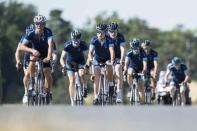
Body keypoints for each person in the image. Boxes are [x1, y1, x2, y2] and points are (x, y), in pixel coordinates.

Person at [19, 14, 54, 104]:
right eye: (37, 23)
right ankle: (32, 80)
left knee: (47, 71)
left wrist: (49, 57)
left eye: (41, 23)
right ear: (35, 24)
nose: (38, 25)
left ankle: (48, 92)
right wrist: (31, 50)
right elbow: (21, 47)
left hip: (45, 53)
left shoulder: (48, 32)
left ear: (44, 24)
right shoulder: (30, 33)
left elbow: (50, 45)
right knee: (32, 59)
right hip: (34, 52)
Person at [87, 23, 115, 105]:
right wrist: (90, 59)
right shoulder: (94, 40)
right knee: (96, 76)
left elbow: (112, 51)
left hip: (107, 59)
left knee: (109, 67)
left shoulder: (109, 40)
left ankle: (110, 84)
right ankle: (96, 97)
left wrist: (112, 60)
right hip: (97, 59)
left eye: (101, 32)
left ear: (105, 33)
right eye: (98, 32)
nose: (99, 34)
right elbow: (90, 52)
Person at [60, 29, 88, 106]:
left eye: (78, 39)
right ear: (72, 39)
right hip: (70, 63)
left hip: (80, 62)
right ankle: (72, 101)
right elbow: (62, 58)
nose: (76, 41)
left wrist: (87, 65)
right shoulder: (67, 45)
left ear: (80, 39)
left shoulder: (83, 45)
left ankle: (85, 86)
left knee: (81, 74)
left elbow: (88, 57)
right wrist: (64, 66)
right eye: (74, 39)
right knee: (72, 81)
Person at [123, 38, 147, 104]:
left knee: (141, 85)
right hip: (132, 67)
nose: (135, 49)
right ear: (131, 47)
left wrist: (144, 70)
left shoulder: (143, 53)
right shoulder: (129, 53)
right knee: (129, 73)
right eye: (134, 48)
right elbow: (126, 63)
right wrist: (125, 69)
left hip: (140, 69)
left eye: (137, 48)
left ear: (139, 47)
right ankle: (131, 88)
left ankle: (142, 103)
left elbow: (145, 63)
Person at [15, 24, 34, 104]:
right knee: (27, 75)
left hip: (39, 55)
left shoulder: (40, 37)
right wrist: (18, 61)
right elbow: (17, 51)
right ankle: (26, 93)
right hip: (28, 57)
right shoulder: (24, 38)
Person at [107, 22, 126, 103]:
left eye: (115, 31)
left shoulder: (121, 36)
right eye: (111, 31)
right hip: (106, 57)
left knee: (118, 68)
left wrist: (122, 59)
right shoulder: (105, 36)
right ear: (108, 31)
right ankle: (105, 88)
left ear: (117, 30)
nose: (113, 33)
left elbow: (123, 49)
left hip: (117, 57)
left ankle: (119, 92)